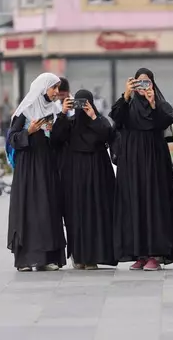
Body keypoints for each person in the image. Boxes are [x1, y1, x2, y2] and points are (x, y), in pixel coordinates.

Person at [109, 68, 173, 271]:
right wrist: (126, 94)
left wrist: (152, 103)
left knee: (153, 203)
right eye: (139, 82)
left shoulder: (159, 104)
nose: (143, 86)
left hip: (154, 160)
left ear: (153, 84)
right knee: (133, 203)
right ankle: (138, 253)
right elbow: (116, 118)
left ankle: (154, 254)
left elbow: (165, 121)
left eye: (147, 82)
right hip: (131, 161)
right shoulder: (127, 103)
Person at [7, 72, 67, 272]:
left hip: (47, 167)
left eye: (58, 88)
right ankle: (25, 259)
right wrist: (29, 132)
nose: (57, 92)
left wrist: (56, 125)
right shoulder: (25, 110)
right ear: (43, 88)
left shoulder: (55, 110)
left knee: (47, 209)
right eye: (54, 88)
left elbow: (59, 141)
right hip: (27, 169)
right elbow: (12, 139)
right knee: (28, 210)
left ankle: (47, 258)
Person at [51, 89, 117, 270]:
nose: (81, 107)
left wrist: (94, 116)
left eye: (85, 103)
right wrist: (63, 113)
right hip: (74, 176)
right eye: (78, 103)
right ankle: (79, 255)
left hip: (98, 175)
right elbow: (55, 138)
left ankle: (94, 256)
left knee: (96, 213)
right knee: (75, 215)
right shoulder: (69, 124)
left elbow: (109, 135)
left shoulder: (99, 121)